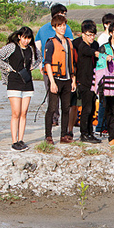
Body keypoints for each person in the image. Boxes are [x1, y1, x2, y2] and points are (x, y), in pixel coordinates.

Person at [0, 26, 42, 151]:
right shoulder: (12, 47)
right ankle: (14, 141)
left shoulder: (31, 48)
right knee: (16, 113)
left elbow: (40, 57)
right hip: (14, 81)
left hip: (27, 82)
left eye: (28, 38)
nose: (26, 41)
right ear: (19, 36)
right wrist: (7, 68)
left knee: (24, 113)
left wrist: (32, 67)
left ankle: (21, 139)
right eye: (24, 38)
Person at [35, 4, 73, 128]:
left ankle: (61, 124)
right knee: (52, 92)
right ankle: (54, 118)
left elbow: (71, 47)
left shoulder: (66, 28)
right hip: (50, 67)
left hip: (65, 69)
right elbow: (37, 46)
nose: (64, 17)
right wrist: (41, 63)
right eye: (63, 13)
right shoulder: (45, 29)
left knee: (62, 97)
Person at [44, 15, 77, 144]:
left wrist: (73, 79)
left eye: (64, 25)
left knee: (66, 108)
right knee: (52, 108)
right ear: (54, 27)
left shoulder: (69, 42)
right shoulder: (51, 42)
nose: (62, 28)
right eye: (59, 26)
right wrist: (52, 82)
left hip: (67, 80)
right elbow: (47, 63)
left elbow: (71, 63)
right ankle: (48, 136)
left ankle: (64, 135)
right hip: (56, 79)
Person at [72, 20, 101, 144]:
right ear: (83, 34)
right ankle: (84, 134)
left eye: (93, 35)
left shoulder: (95, 44)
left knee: (93, 107)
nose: (91, 37)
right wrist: (98, 54)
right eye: (89, 35)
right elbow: (89, 52)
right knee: (86, 108)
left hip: (94, 80)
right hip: (84, 81)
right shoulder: (81, 45)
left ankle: (90, 132)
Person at [95, 13, 114, 135]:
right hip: (104, 73)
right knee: (104, 101)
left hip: (112, 73)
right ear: (105, 25)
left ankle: (108, 125)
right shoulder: (102, 39)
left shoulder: (112, 38)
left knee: (111, 102)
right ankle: (100, 126)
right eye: (110, 24)